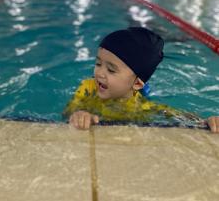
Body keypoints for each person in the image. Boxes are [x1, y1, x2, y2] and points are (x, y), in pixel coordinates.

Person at [63, 27, 219, 132]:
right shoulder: (88, 87)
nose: (99, 73)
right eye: (98, 63)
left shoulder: (142, 107)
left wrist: (205, 122)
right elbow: (69, 110)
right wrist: (78, 114)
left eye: (111, 70)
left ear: (137, 83)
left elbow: (177, 116)